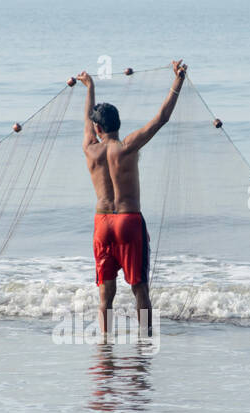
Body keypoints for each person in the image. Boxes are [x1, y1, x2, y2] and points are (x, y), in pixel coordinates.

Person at [77, 60, 187, 336]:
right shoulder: (127, 147)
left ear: (98, 129)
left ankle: (105, 342)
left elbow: (87, 122)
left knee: (106, 294)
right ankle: (145, 340)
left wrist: (90, 87)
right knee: (140, 288)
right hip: (128, 220)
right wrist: (178, 82)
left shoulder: (90, 149)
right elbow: (161, 119)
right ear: (118, 124)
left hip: (102, 223)